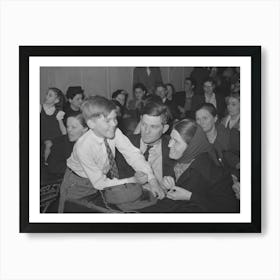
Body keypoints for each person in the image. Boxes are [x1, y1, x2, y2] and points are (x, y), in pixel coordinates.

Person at [58, 96, 165, 212]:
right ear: (91, 124)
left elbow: (133, 155)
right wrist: (132, 180)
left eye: (115, 118)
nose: (114, 124)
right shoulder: (83, 147)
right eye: (108, 120)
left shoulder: (114, 131)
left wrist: (152, 180)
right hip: (77, 184)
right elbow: (99, 182)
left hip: (102, 180)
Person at [141, 119, 238, 213]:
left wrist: (190, 196)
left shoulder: (212, 172)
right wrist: (164, 185)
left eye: (176, 141)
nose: (170, 145)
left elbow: (230, 209)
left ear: (191, 146)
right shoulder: (179, 161)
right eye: (171, 139)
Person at [116, 100, 175, 183]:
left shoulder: (172, 148)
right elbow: (119, 177)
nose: (146, 131)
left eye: (153, 127)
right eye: (144, 124)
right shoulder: (127, 143)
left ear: (164, 129)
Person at [195, 103, 240, 178]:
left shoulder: (231, 136)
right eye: (198, 119)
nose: (201, 122)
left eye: (205, 118)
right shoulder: (196, 143)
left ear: (215, 118)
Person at [42, 114, 88, 182]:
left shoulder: (93, 143)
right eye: (67, 126)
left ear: (85, 129)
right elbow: (53, 167)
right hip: (62, 181)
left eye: (73, 127)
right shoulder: (59, 143)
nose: (69, 130)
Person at [40, 87, 66, 165]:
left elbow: (62, 128)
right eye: (47, 94)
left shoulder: (58, 112)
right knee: (49, 144)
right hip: (45, 135)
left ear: (56, 100)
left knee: (60, 145)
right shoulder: (40, 108)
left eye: (50, 95)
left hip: (56, 136)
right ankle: (45, 161)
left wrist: (65, 135)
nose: (46, 96)